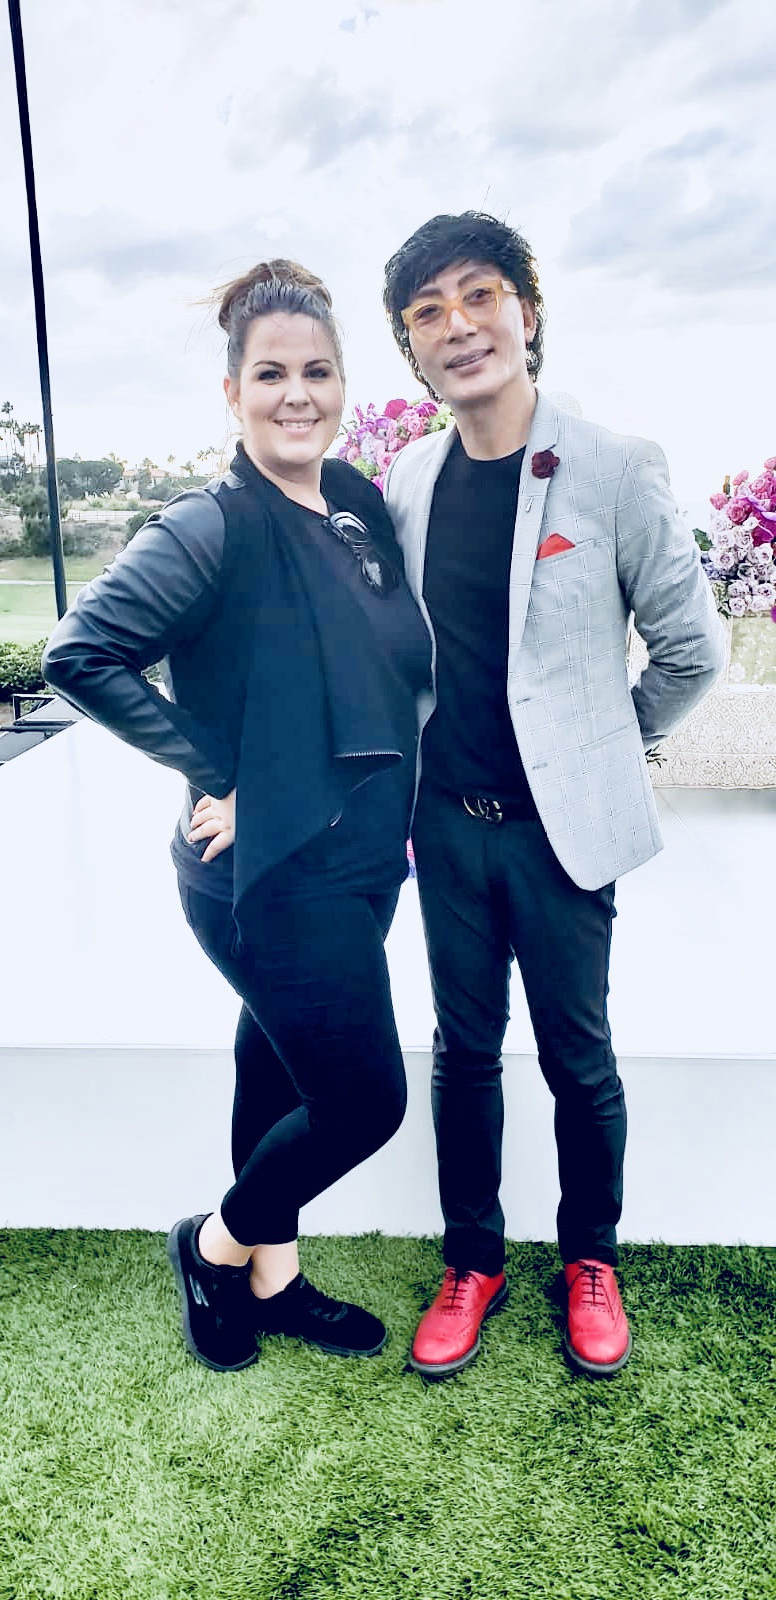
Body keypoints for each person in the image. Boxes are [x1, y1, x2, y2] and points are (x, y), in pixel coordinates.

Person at [43, 259, 432, 1373]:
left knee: (274, 1067)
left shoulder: (353, 504)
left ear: (343, 382)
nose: (296, 393)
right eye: (270, 374)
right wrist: (223, 772)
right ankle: (213, 1245)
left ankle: (275, 1277)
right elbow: (82, 654)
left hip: (359, 862)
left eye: (317, 371)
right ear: (232, 393)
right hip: (264, 875)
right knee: (362, 1101)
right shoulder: (211, 524)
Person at [381, 212, 726, 1378]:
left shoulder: (615, 466)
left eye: (479, 295)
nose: (458, 325)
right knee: (463, 1052)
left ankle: (591, 1260)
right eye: (428, 311)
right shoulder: (410, 478)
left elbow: (693, 651)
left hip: (561, 837)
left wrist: (605, 751)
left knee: (580, 1055)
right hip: (446, 828)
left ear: (527, 311)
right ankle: (471, 1259)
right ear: (412, 348)